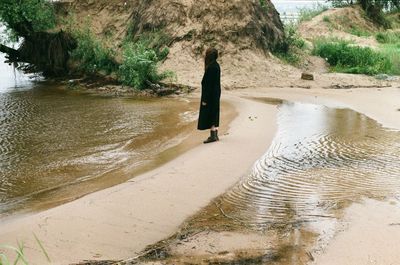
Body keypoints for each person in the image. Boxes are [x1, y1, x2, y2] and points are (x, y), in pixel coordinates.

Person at [197, 48, 221, 144]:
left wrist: (205, 99)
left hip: (210, 94)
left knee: (210, 113)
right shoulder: (216, 65)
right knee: (214, 112)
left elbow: (208, 84)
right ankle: (214, 134)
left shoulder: (211, 67)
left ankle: (213, 136)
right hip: (216, 93)